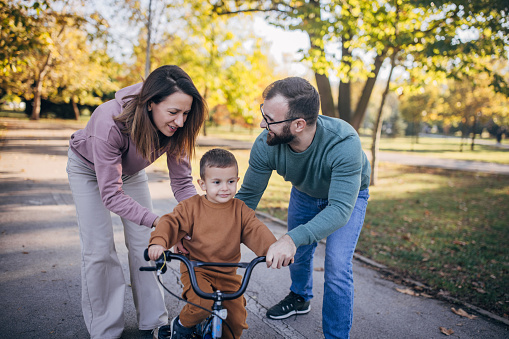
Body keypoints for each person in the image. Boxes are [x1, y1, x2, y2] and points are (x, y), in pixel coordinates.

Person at [66, 65, 207, 339]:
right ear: (151, 104)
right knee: (99, 248)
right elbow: (111, 195)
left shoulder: (178, 128)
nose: (180, 121)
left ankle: (153, 322)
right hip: (88, 169)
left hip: (129, 172)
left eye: (186, 113)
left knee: (148, 241)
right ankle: (105, 329)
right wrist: (162, 220)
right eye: (173, 112)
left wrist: (197, 220)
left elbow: (181, 183)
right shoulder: (109, 122)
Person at [235, 77, 371, 339]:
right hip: (305, 192)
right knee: (298, 255)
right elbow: (248, 197)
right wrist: (213, 226)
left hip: (346, 199)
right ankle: (300, 297)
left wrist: (290, 238)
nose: (263, 124)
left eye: (270, 119)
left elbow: (340, 210)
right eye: (263, 114)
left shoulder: (344, 143)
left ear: (298, 124)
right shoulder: (267, 143)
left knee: (337, 266)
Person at [148, 148, 277, 339]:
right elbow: (171, 223)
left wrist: (273, 248)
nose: (225, 188)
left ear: (237, 181)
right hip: (196, 269)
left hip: (228, 274)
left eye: (230, 182)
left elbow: (254, 229)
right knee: (201, 304)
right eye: (216, 182)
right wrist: (159, 242)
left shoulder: (240, 210)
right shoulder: (191, 207)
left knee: (236, 321)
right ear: (202, 184)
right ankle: (181, 326)